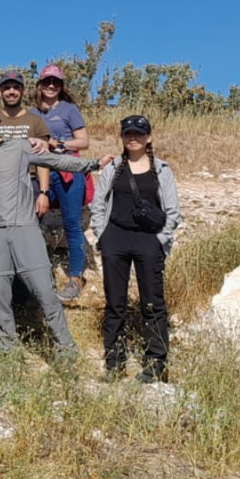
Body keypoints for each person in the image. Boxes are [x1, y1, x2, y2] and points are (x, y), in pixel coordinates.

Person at [0, 101, 106, 357]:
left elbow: (57, 161)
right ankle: (9, 351)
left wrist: (93, 164)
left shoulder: (20, 147)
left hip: (25, 228)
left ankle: (66, 350)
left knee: (44, 291)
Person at [90, 115, 182, 382]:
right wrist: (103, 234)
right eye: (128, 133)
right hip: (115, 239)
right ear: (122, 137)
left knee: (152, 303)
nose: (133, 138)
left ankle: (156, 362)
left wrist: (160, 239)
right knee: (115, 303)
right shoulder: (114, 168)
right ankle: (114, 363)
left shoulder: (162, 169)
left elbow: (173, 211)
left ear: (149, 138)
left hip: (148, 240)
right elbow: (99, 204)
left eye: (139, 134)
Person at [32, 64, 91, 303]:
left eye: (56, 82)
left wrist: (60, 143)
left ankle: (76, 278)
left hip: (68, 172)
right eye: (47, 82)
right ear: (40, 85)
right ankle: (38, 274)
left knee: (72, 224)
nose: (51, 86)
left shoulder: (69, 109)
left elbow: (83, 141)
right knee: (31, 220)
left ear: (61, 86)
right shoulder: (32, 113)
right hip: (40, 173)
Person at [0, 71, 54, 216]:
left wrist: (44, 192)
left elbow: (43, 160)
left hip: (29, 183)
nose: (11, 92)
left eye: (16, 87)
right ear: (0, 92)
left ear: (23, 91)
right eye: (7, 88)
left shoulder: (36, 121)